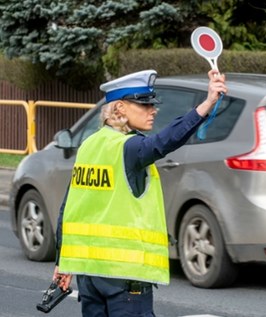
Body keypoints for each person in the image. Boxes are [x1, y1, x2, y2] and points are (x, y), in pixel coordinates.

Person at [52, 68, 227, 317]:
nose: (153, 110)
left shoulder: (89, 145)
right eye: (144, 105)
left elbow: (68, 208)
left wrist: (63, 261)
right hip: (124, 279)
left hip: (90, 276)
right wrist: (208, 103)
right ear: (120, 108)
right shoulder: (129, 147)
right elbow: (165, 141)